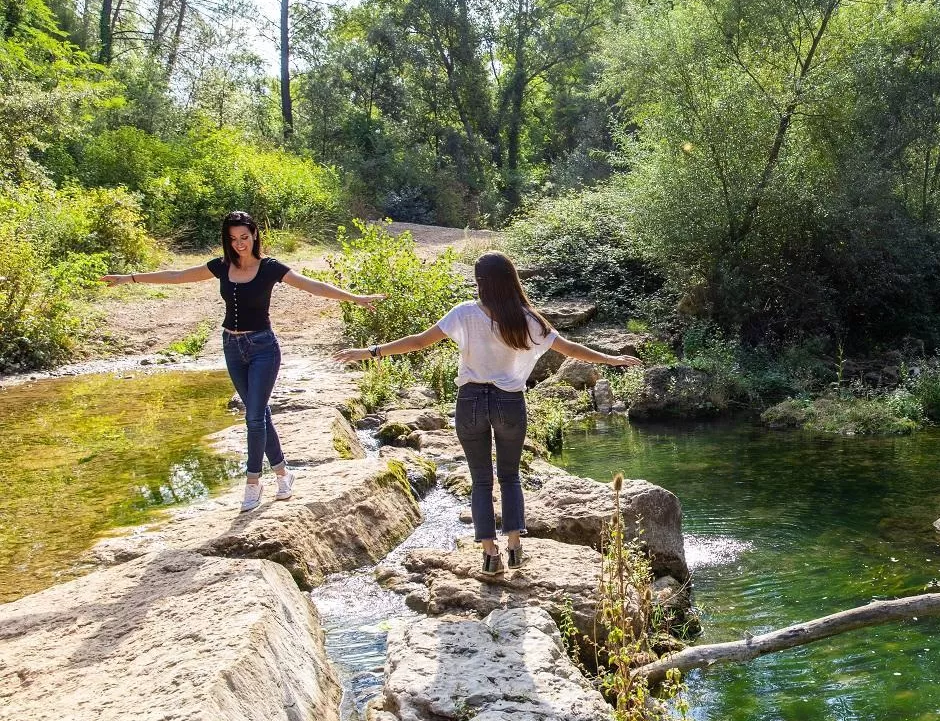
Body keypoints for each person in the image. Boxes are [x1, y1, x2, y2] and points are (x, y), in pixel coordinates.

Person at [335, 252, 642, 572]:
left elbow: (418, 343)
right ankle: (515, 548)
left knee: (480, 480)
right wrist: (611, 359)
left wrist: (370, 351)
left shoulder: (464, 313)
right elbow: (569, 348)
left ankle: (490, 555)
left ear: (480, 281)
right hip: (509, 402)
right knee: (509, 476)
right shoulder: (526, 318)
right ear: (512, 279)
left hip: (470, 401)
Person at [104, 210, 384, 511]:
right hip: (232, 347)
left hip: (263, 347)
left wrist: (355, 298)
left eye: (244, 237)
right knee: (259, 414)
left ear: (254, 235)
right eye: (233, 238)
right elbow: (177, 276)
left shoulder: (270, 267)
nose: (239, 244)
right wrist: (128, 278)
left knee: (253, 416)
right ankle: (283, 474)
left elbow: (311, 285)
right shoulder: (222, 266)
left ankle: (253, 481)